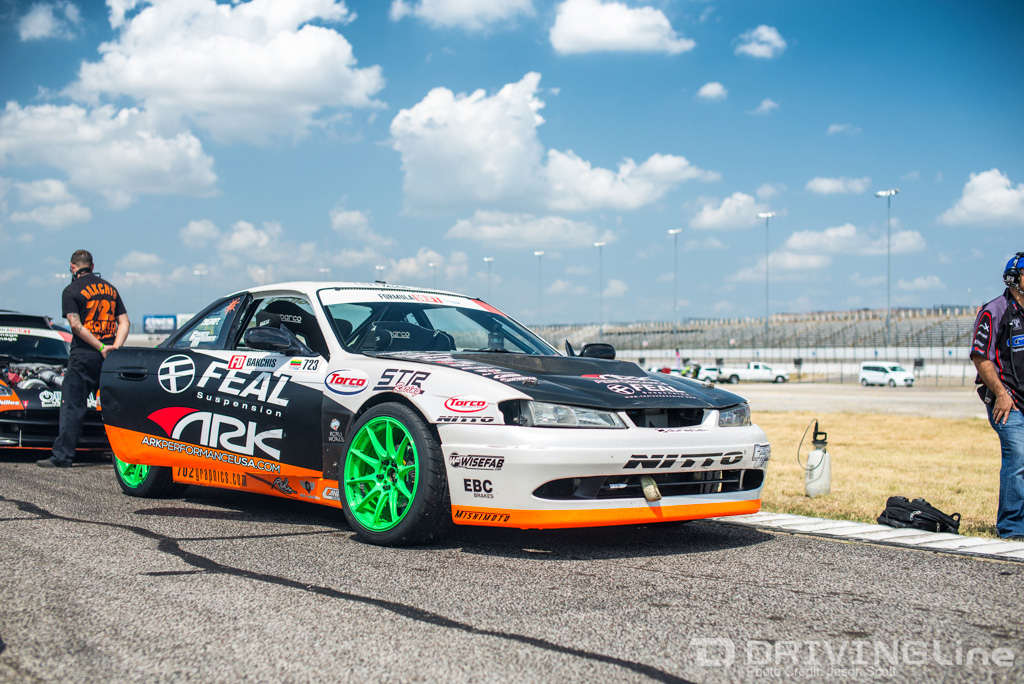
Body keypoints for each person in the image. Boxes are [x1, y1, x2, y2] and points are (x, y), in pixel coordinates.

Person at [37, 250, 130, 468]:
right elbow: (124, 321)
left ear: (72, 267)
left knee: (72, 406)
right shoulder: (110, 289)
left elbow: (76, 326)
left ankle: (62, 456)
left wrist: (100, 347)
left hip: (84, 356)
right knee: (114, 407)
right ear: (92, 265)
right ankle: (124, 456)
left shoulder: (71, 290)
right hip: (110, 359)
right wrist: (114, 347)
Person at [970, 251, 1024, 539]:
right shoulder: (996, 310)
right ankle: (1012, 527)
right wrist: (1002, 395)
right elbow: (981, 358)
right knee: (1018, 458)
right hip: (1008, 402)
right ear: (1014, 279)